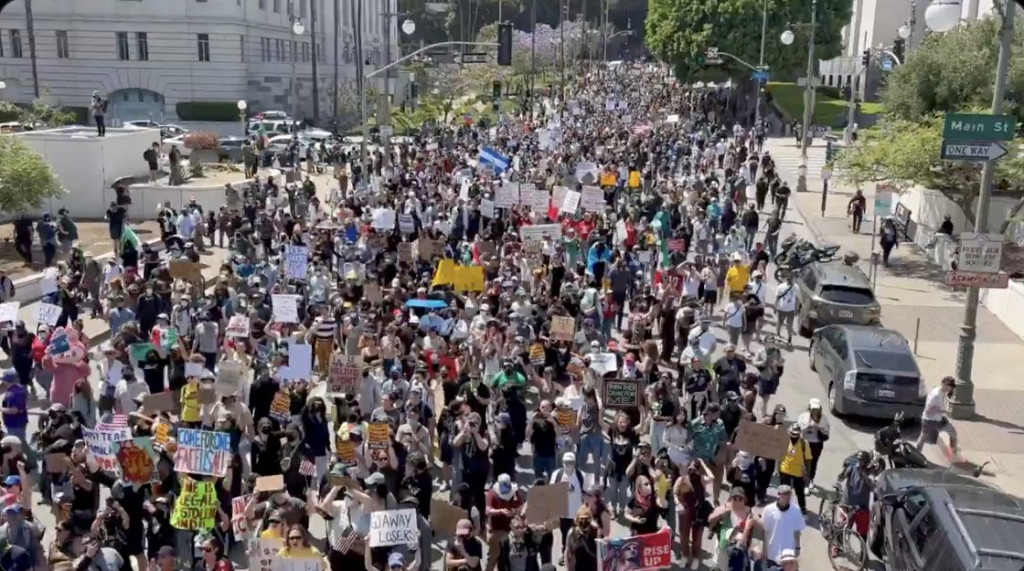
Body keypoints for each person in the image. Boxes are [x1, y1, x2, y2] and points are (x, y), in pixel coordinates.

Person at [759, 485, 805, 568]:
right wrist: (764, 549)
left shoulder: (796, 511)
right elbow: (765, 531)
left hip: (789, 555)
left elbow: (797, 531)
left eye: (788, 494)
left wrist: (798, 548)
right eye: (783, 494)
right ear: (778, 495)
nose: (786, 497)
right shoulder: (768, 510)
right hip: (772, 554)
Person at [916, 376, 959, 454]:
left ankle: (954, 453)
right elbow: (928, 410)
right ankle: (916, 453)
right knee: (923, 437)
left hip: (938, 418)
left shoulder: (941, 392)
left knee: (952, 433)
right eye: (949, 386)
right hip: (929, 420)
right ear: (944, 384)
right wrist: (942, 410)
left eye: (951, 387)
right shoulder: (935, 395)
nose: (950, 389)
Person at [777, 424, 812, 513]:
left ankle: (803, 509)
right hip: (785, 470)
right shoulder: (784, 440)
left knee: (799, 493)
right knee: (784, 492)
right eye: (791, 434)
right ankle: (782, 508)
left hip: (798, 472)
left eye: (795, 434)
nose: (793, 436)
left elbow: (808, 459)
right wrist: (778, 468)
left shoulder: (804, 443)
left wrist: (807, 474)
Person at [795, 398, 830, 482]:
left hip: (816, 444)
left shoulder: (824, 419)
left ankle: (810, 479)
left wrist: (819, 428)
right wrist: (807, 426)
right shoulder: (803, 416)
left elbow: (827, 432)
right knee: (801, 460)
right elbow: (798, 428)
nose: (815, 411)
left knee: (813, 462)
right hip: (804, 441)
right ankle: (800, 477)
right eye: (813, 409)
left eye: (817, 409)